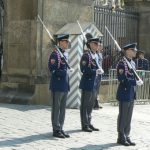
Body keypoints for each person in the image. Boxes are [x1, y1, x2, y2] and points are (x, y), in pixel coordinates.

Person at [116, 43, 142, 146]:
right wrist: (134, 82)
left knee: (129, 116)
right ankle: (121, 136)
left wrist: (137, 80)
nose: (135, 52)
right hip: (124, 92)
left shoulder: (133, 63)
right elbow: (122, 79)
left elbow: (133, 76)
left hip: (131, 93)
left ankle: (127, 135)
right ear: (127, 51)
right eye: (133, 50)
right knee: (123, 115)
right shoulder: (122, 64)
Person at [48, 34, 71, 138]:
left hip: (64, 85)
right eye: (65, 41)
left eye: (67, 42)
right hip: (57, 85)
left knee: (62, 109)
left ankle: (60, 128)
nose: (67, 43)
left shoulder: (65, 54)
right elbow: (52, 70)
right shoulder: (55, 54)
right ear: (60, 42)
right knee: (56, 108)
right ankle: (55, 129)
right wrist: (65, 72)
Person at [79, 35, 103, 132]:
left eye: (98, 44)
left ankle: (89, 122)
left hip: (95, 83)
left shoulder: (96, 55)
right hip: (88, 83)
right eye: (95, 44)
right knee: (85, 105)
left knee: (91, 105)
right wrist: (95, 71)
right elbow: (83, 69)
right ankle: (84, 124)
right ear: (90, 44)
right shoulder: (86, 55)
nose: (97, 45)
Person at [94, 39, 104, 109]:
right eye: (99, 45)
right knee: (94, 89)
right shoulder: (94, 54)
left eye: (100, 45)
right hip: (96, 74)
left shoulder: (100, 54)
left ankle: (96, 102)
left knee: (97, 89)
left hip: (100, 74)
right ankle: (94, 103)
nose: (100, 47)